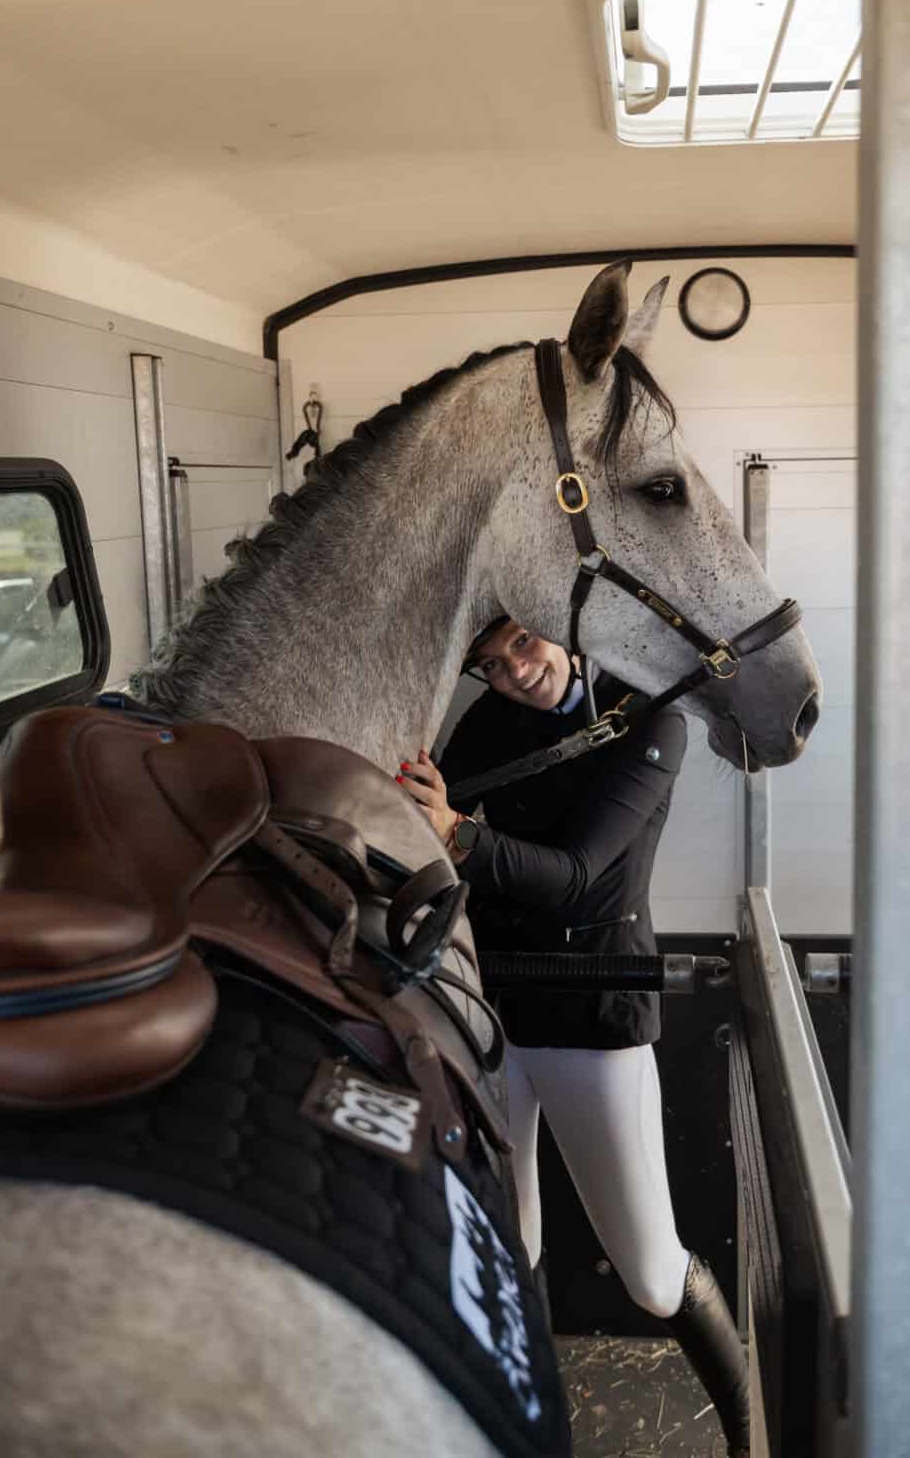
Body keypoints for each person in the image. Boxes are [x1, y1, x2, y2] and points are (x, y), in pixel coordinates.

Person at [397, 614, 750, 1458]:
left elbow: (577, 877)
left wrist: (455, 831)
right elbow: (426, 802)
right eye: (492, 664)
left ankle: (751, 1430)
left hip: (592, 1015)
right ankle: (536, 1431)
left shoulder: (652, 719)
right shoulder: (491, 718)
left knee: (652, 1274)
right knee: (512, 1250)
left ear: (561, 631)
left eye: (524, 644)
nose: (516, 672)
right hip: (488, 1009)